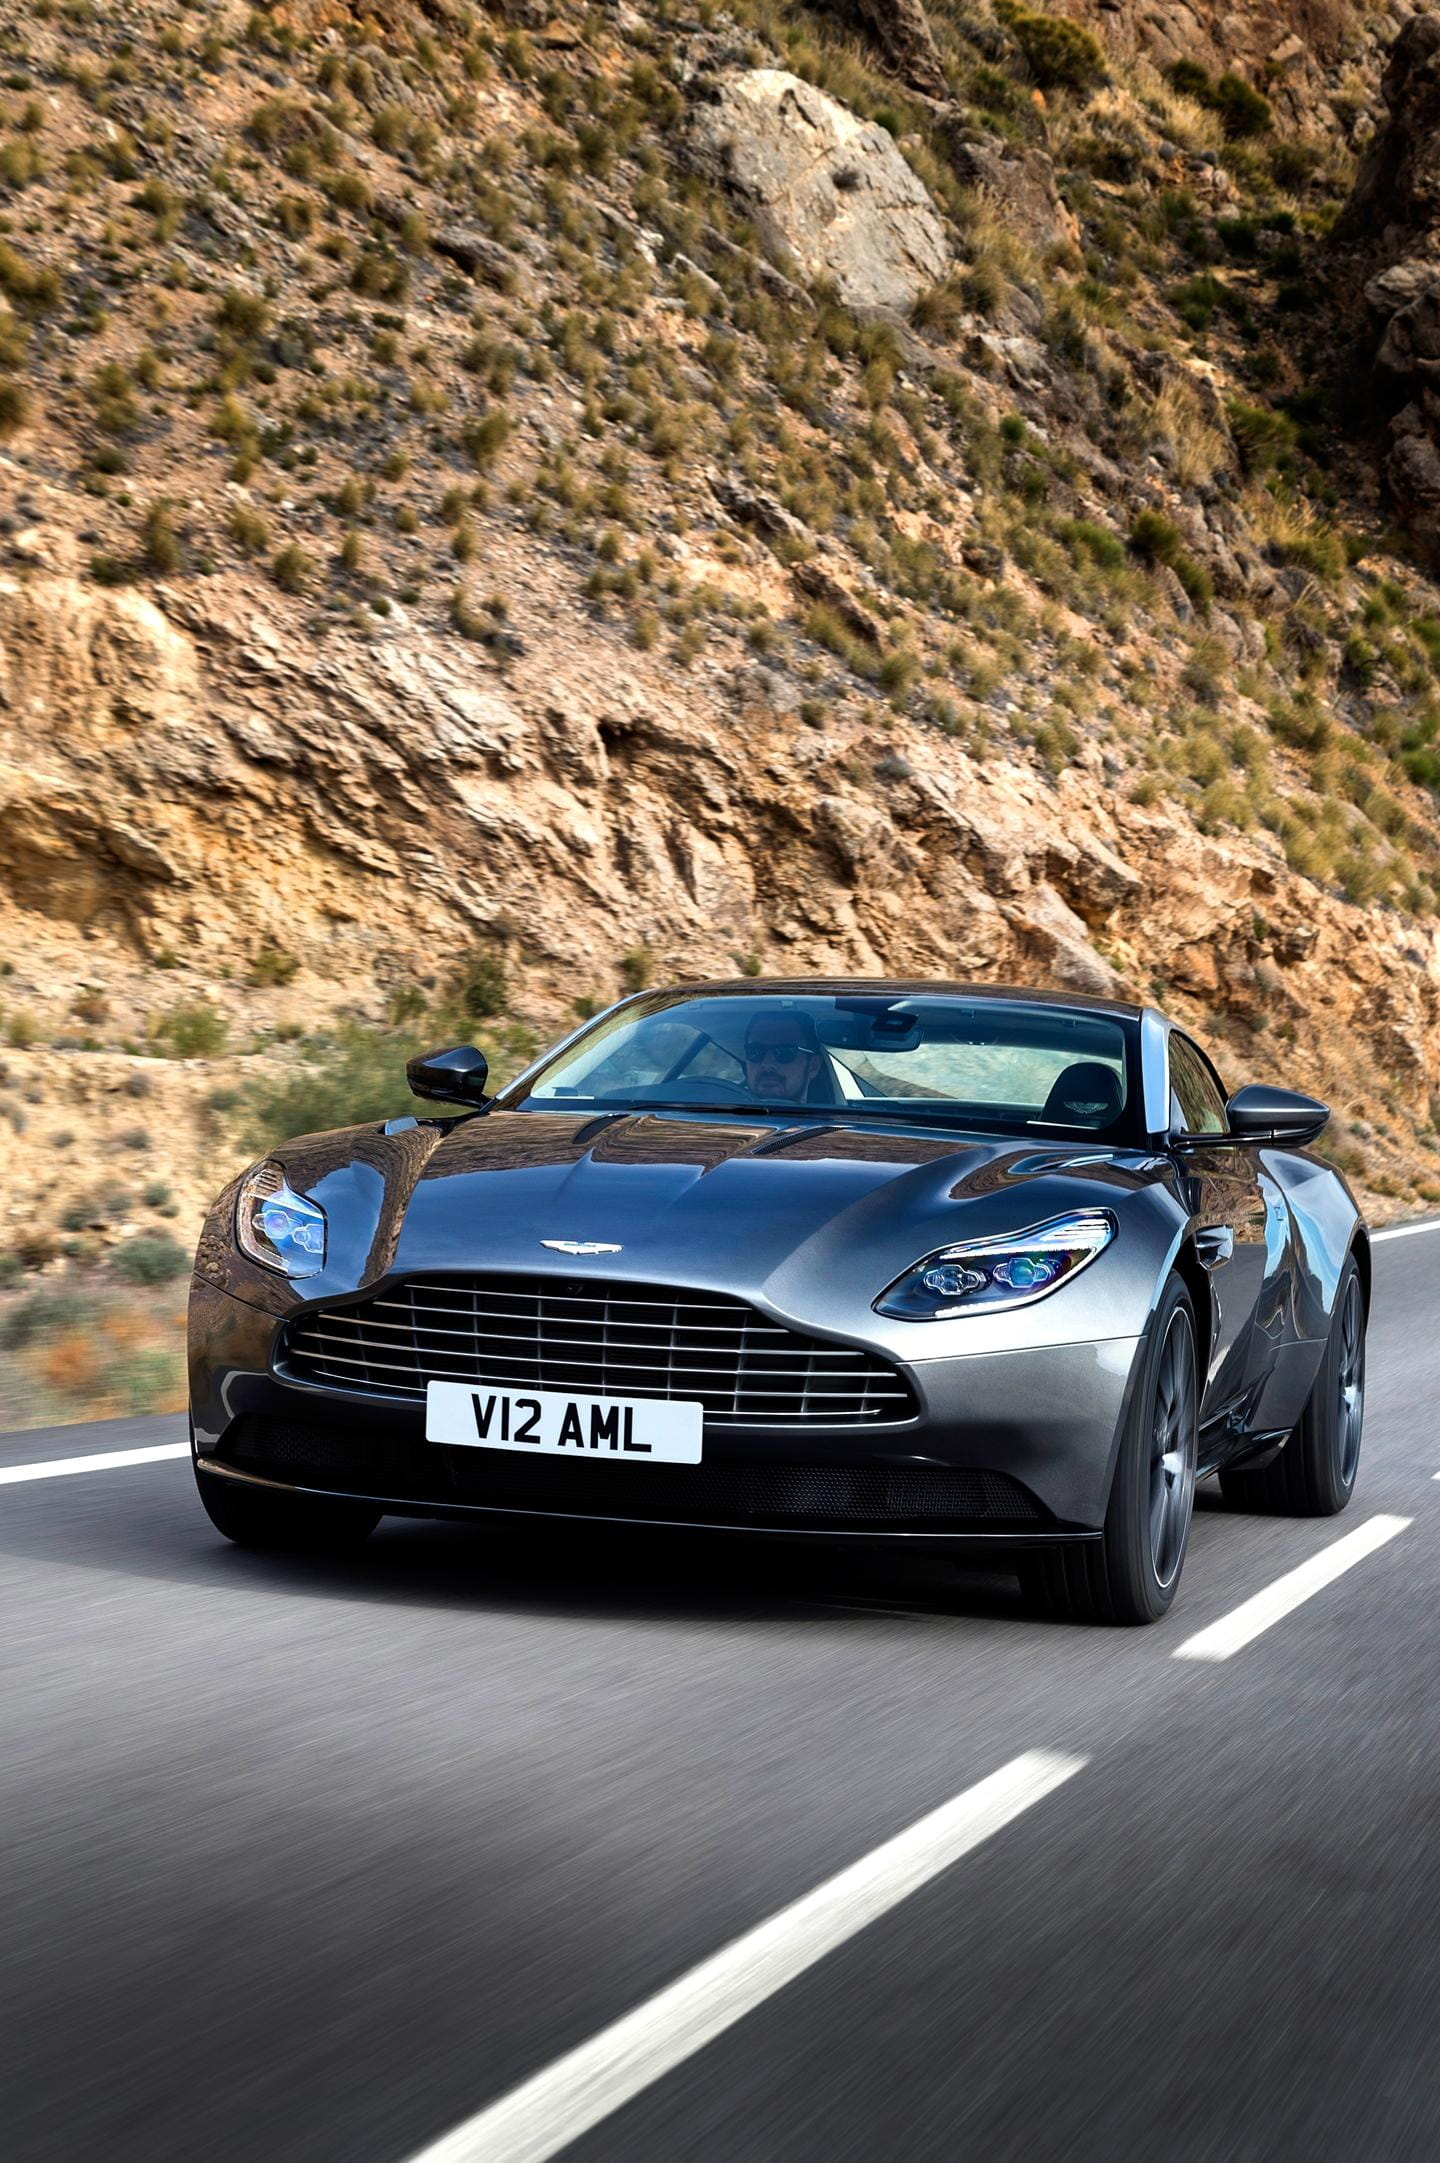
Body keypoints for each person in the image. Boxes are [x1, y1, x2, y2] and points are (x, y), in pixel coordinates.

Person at [743, 1011, 823, 1104]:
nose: (767, 1064)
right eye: (755, 1051)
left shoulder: (835, 1117)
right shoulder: (723, 1113)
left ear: (813, 1066)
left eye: (784, 1053)